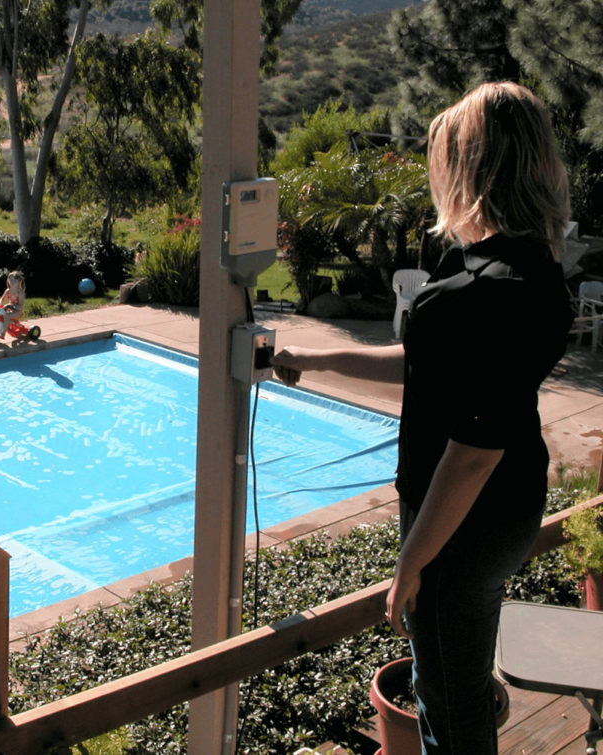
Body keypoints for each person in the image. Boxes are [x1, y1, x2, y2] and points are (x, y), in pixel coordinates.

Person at [272, 81, 573, 753]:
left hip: (457, 525)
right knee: (461, 681)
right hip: (514, 512)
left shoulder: (465, 292)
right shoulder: (538, 277)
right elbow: (425, 367)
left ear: (470, 170)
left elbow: (472, 450)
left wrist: (414, 559)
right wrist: (313, 361)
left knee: (451, 705)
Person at [0, 270, 26, 336]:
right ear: (8, 281)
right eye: (10, 280)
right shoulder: (8, 291)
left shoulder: (20, 293)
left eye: (14, 281)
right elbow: (2, 299)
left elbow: (20, 307)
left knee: (6, 316)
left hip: (17, 311)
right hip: (8, 309)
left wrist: (11, 306)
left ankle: (2, 333)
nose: (12, 282)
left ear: (19, 282)